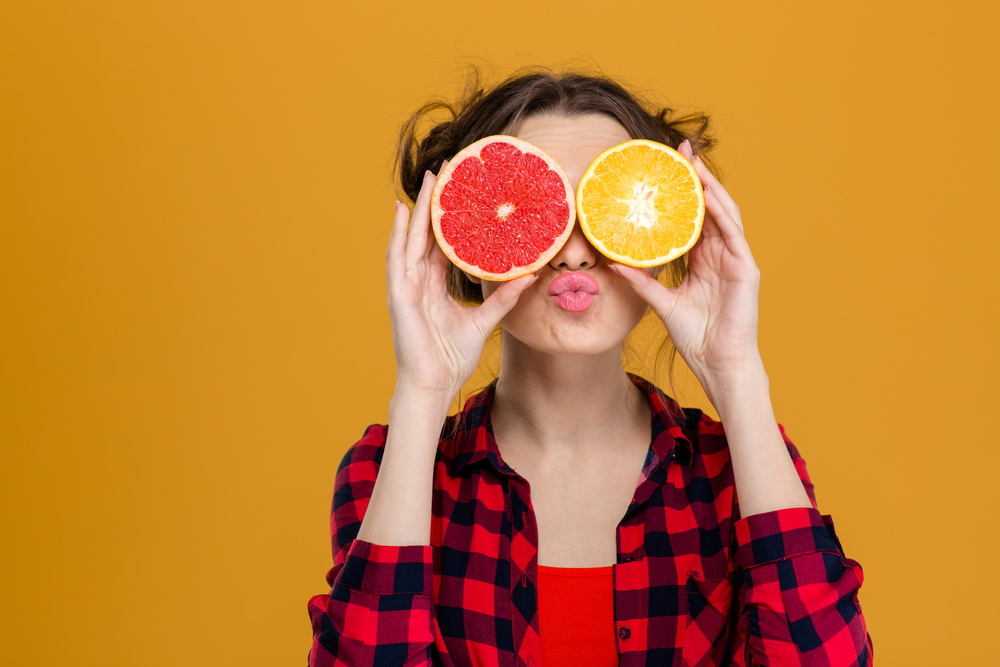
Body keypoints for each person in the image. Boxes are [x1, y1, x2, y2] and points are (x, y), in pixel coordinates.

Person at [307, 69, 873, 666]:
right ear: (469, 243)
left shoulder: (739, 470)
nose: (575, 250)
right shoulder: (389, 471)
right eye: (534, 208)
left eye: (605, 209)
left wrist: (738, 375)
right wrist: (422, 392)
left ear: (666, 238)